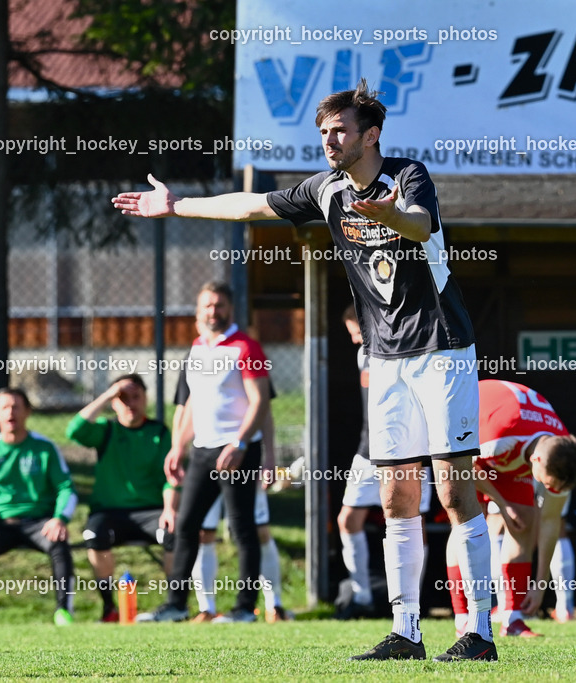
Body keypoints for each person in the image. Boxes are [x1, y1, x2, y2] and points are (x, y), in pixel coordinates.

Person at [113, 79, 495, 662]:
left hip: (441, 347)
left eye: (339, 130)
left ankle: (479, 636)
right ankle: (406, 633)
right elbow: (250, 206)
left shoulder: (409, 175)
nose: (328, 140)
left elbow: (420, 224)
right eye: (322, 132)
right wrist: (176, 205)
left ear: (370, 135)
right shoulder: (326, 190)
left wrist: (393, 215)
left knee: (452, 490)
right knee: (395, 497)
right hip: (386, 359)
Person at [136, 281, 270, 623]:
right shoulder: (197, 349)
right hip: (202, 451)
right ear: (199, 312)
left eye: (219, 305)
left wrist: (239, 443)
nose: (214, 311)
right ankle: (177, 605)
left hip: (238, 452)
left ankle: (244, 609)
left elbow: (259, 402)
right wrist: (177, 446)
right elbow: (194, 402)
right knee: (186, 525)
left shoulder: (246, 346)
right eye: (207, 306)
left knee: (241, 529)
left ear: (230, 309)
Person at [446, 379, 576, 638]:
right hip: (469, 436)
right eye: (544, 481)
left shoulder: (561, 451)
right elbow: (466, 467)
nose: (544, 487)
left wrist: (540, 584)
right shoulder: (500, 437)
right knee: (466, 521)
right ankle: (462, 617)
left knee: (525, 519)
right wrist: (502, 502)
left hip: (510, 447)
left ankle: (513, 618)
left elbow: (550, 521)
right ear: (537, 460)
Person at [335, 304, 433, 620]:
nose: (354, 341)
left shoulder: (406, 348)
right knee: (347, 520)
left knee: (414, 524)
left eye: (357, 332)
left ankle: (411, 602)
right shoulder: (363, 353)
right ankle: (361, 597)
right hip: (368, 452)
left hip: (410, 452)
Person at [173, 365, 287, 623]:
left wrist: (269, 456)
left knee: (257, 529)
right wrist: (176, 449)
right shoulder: (195, 357)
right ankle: (206, 608)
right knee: (202, 531)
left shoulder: (246, 355)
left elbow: (263, 409)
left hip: (243, 458)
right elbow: (184, 410)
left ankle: (273, 605)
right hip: (205, 460)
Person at [65, 374, 177, 622]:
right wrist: (106, 395)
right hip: (110, 512)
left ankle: (174, 605)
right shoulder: (106, 430)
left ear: (145, 399)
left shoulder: (158, 432)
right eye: (123, 398)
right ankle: (109, 608)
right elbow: (74, 430)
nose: (130, 404)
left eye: (136, 397)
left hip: (151, 512)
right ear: (114, 403)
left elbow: (170, 478)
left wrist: (170, 509)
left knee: (174, 533)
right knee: (94, 535)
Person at [0, 388, 78, 627]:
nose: (10, 412)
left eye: (16, 406)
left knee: (59, 543)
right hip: (0, 524)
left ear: (28, 411)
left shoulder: (45, 448)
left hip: (39, 523)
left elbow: (66, 488)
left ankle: (63, 612)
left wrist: (59, 519)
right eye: (4, 407)